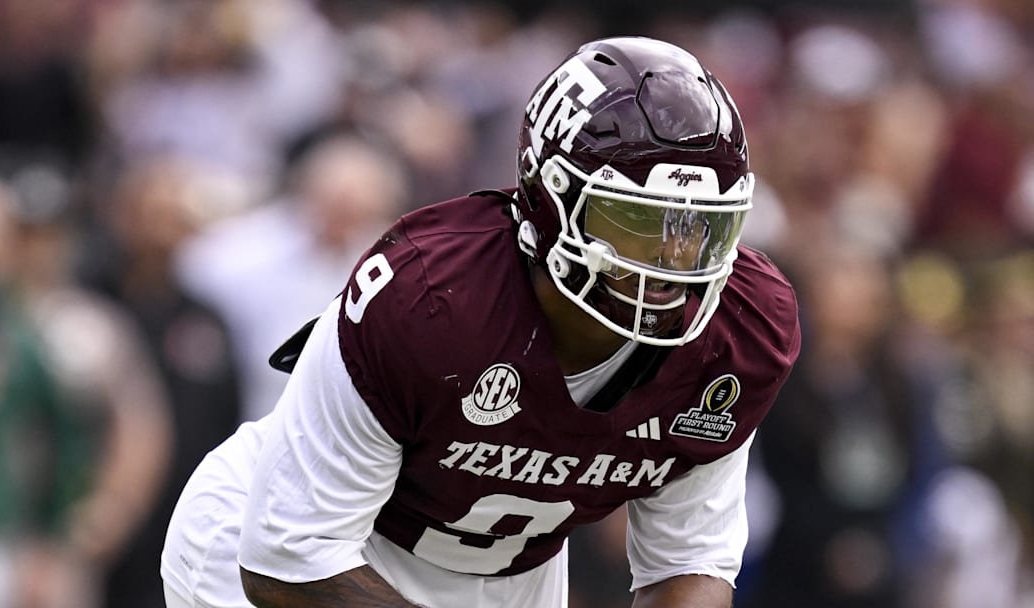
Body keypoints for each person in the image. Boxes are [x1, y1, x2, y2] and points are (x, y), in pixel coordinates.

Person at [161, 36, 801, 608]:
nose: (670, 262)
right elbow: (287, 560)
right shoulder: (431, 300)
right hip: (295, 537)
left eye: (697, 229)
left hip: (503, 576)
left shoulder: (736, 332)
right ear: (552, 197)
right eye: (636, 220)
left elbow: (689, 562)